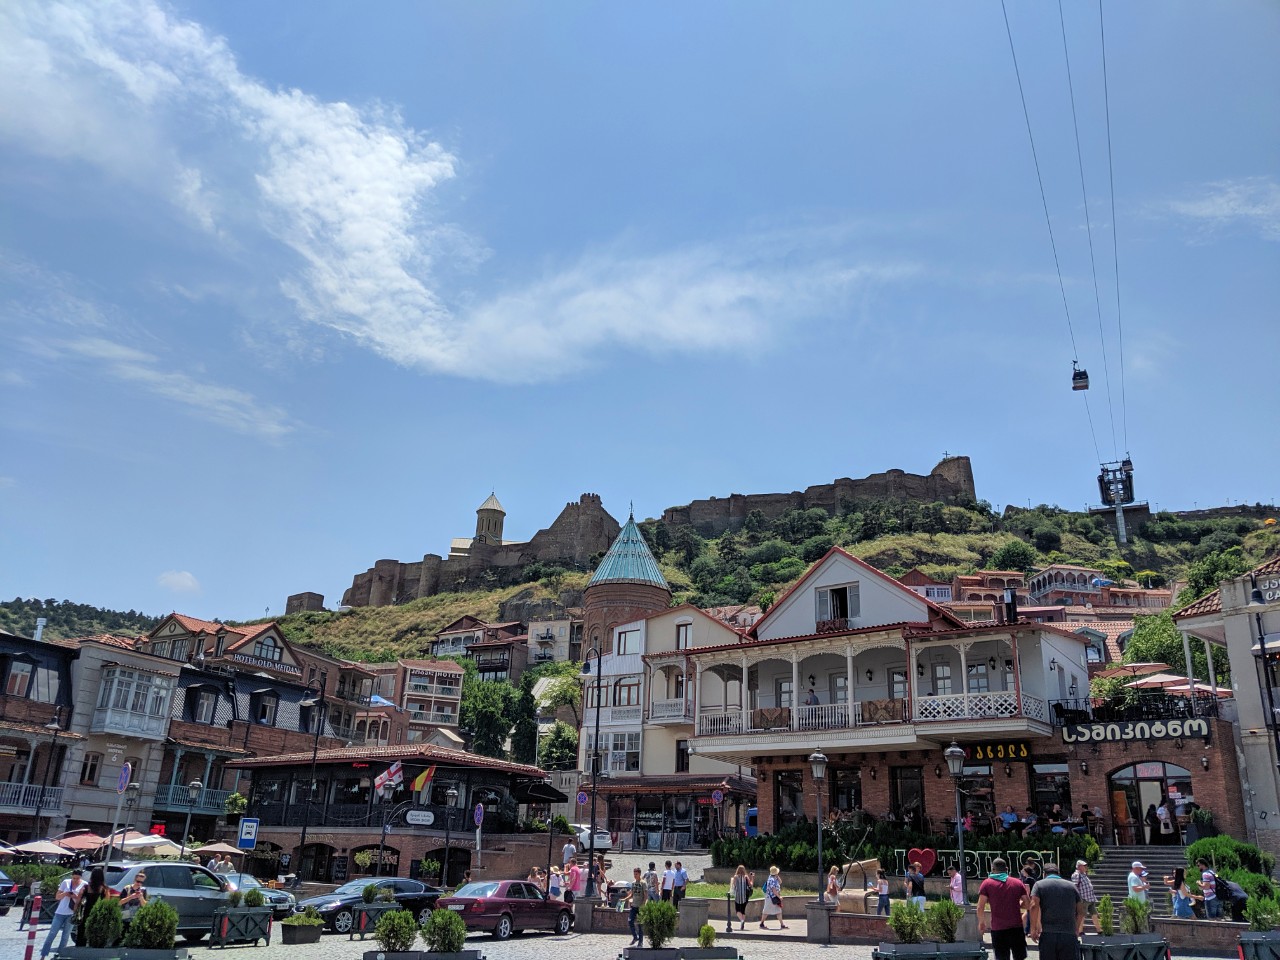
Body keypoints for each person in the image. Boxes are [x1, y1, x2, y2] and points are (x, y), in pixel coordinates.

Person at [1028, 862, 1084, 960]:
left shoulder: (1039, 885)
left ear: (1044, 874)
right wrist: (1076, 928)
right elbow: (1081, 911)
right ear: (1058, 873)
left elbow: (1033, 906)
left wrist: (1033, 929)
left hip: (1048, 934)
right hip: (1068, 934)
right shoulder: (1072, 886)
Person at [978, 857, 1030, 960]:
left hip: (998, 928)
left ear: (993, 869)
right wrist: (1018, 905)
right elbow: (1028, 904)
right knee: (1019, 957)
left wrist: (981, 923)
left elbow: (980, 907)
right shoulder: (1017, 883)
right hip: (1016, 928)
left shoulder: (987, 883)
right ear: (1006, 869)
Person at [41, 866, 86, 960]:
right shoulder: (66, 882)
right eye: (74, 878)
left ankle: (60, 955)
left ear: (81, 877)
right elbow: (57, 897)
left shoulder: (84, 884)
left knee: (65, 936)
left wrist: (75, 896)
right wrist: (65, 893)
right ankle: (43, 955)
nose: (75, 880)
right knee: (52, 933)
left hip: (72, 913)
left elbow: (83, 900)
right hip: (60, 912)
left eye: (77, 878)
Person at [76, 867, 113, 948]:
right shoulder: (105, 888)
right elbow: (107, 902)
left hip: (86, 912)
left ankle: (79, 950)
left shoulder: (86, 887)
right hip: (98, 912)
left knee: (82, 933)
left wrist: (75, 910)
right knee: (95, 934)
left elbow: (78, 899)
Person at [1071, 860, 1100, 934]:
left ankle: (1099, 930)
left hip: (1090, 898)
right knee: (1082, 915)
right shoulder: (1076, 875)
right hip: (1083, 899)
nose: (1086, 867)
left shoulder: (1084, 874)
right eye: (1084, 866)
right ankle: (1080, 931)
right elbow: (1075, 887)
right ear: (1079, 867)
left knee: (1094, 914)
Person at [625, 866, 647, 946]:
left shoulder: (643, 883)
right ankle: (635, 937)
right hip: (633, 906)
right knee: (630, 921)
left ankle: (640, 942)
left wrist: (643, 905)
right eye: (634, 874)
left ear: (639, 874)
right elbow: (632, 894)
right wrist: (625, 899)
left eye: (636, 874)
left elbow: (645, 895)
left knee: (640, 924)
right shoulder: (633, 883)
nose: (635, 875)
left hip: (640, 907)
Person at [760, 865, 787, 930]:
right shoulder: (771, 879)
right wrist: (779, 897)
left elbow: (780, 882)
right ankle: (761, 923)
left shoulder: (774, 878)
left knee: (778, 911)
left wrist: (777, 876)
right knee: (766, 911)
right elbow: (773, 890)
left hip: (774, 898)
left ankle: (782, 924)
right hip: (770, 898)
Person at [731, 865, 754, 930]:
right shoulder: (746, 877)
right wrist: (752, 877)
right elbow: (751, 885)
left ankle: (742, 920)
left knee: (737, 910)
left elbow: (734, 885)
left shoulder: (735, 877)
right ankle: (742, 924)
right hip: (745, 896)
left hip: (738, 896)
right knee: (743, 910)